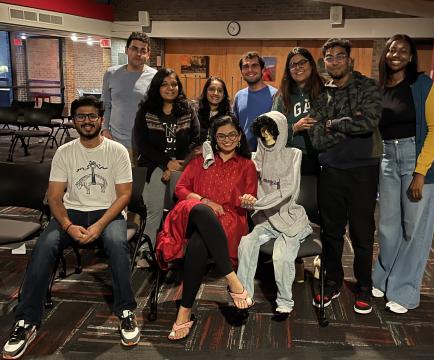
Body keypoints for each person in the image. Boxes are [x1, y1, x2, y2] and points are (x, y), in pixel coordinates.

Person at [2, 96, 140, 360]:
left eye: (91, 116)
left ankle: (125, 311)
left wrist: (100, 225)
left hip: (107, 211)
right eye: (81, 117)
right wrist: (67, 225)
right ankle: (26, 320)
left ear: (101, 119)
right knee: (44, 246)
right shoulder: (65, 151)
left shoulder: (117, 151)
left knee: (116, 243)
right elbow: (54, 197)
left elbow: (123, 196)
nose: (87, 121)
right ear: (73, 121)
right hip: (73, 211)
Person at [155, 115, 258, 340]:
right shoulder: (200, 160)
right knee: (202, 211)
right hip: (193, 215)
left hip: (229, 219)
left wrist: (249, 200)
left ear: (239, 137)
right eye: (221, 135)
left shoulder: (247, 166)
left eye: (232, 134)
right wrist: (204, 201)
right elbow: (180, 189)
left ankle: (184, 311)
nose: (227, 139)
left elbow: (249, 200)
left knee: (199, 244)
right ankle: (233, 280)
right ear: (214, 138)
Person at [308, 38, 382, 315]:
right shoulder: (321, 94)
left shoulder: (368, 86)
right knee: (332, 233)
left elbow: (367, 122)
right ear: (324, 62)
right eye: (329, 57)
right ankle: (332, 281)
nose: (335, 61)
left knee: (363, 234)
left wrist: (330, 123)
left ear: (350, 60)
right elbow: (316, 137)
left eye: (340, 56)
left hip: (364, 170)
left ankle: (364, 286)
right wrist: (344, 123)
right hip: (331, 171)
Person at [372, 34, 434, 314]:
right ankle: (383, 278)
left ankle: (404, 290)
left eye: (403, 50)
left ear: (412, 57)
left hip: (417, 160)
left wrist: (420, 172)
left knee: (413, 229)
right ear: (385, 54)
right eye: (391, 49)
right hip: (388, 159)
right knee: (388, 227)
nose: (396, 54)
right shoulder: (380, 88)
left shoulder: (423, 85)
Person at [237, 111, 312, 316]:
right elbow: (240, 169)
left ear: (281, 131)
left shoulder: (293, 154)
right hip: (267, 219)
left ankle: (285, 300)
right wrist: (248, 200)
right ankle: (243, 295)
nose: (267, 136)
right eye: (262, 132)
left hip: (290, 219)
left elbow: (287, 189)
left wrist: (257, 203)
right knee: (246, 244)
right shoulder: (256, 158)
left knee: (282, 255)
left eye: (271, 131)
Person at [133, 68, 200, 267]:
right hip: (154, 163)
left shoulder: (187, 109)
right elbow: (142, 144)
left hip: (182, 164)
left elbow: (195, 140)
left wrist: (177, 164)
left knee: (180, 209)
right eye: (164, 84)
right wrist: (165, 163)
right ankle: (147, 250)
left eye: (174, 84)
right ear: (157, 86)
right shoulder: (146, 110)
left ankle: (176, 247)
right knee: (154, 207)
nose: (170, 88)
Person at [101, 31, 157, 154]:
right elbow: (105, 105)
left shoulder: (155, 77)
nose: (138, 54)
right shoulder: (111, 74)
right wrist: (104, 130)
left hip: (144, 142)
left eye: (143, 50)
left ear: (148, 54)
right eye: (134, 49)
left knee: (139, 174)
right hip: (114, 141)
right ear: (126, 50)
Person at [272, 47, 323, 175]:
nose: (297, 67)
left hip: (320, 159)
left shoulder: (325, 91)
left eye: (302, 63)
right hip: (290, 158)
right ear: (288, 70)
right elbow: (272, 131)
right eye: (293, 65)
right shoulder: (282, 96)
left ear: (311, 64)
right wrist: (294, 127)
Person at [233, 52, 277, 150]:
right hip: (244, 154)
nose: (250, 70)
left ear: (262, 69)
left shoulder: (275, 95)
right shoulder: (239, 96)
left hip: (268, 154)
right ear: (241, 71)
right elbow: (235, 127)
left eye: (254, 66)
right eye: (245, 67)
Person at [197, 76, 232, 143]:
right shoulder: (195, 113)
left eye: (220, 90)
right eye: (211, 89)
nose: (215, 93)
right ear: (205, 91)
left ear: (224, 95)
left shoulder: (229, 117)